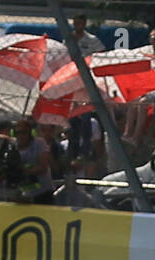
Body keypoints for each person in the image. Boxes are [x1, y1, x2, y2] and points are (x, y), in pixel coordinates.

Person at [66, 15, 104, 161]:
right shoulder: (69, 39)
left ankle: (86, 150)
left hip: (87, 81)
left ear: (84, 24)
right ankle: (72, 149)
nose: (78, 25)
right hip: (72, 79)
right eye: (75, 23)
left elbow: (101, 54)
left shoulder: (92, 40)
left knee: (86, 116)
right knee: (72, 117)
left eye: (80, 23)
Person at [12, 118, 53, 204]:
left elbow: (43, 168)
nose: (20, 136)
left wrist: (22, 170)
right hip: (21, 193)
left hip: (42, 192)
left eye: (24, 132)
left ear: (30, 133)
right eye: (18, 133)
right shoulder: (12, 146)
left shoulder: (39, 143)